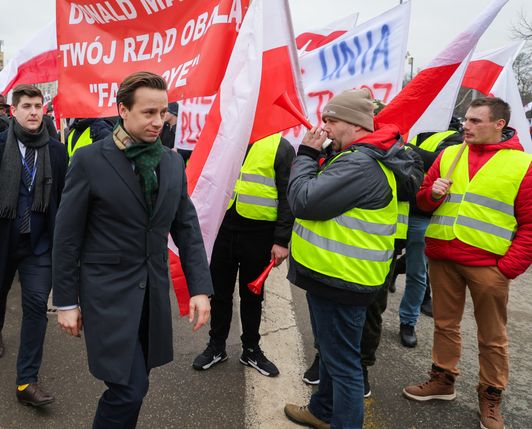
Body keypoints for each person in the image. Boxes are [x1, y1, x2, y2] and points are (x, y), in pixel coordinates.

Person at [52, 71, 212, 428]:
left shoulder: (170, 162)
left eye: (163, 112)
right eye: (148, 113)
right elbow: (67, 236)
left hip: (151, 295)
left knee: (137, 383)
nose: (159, 121)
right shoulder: (91, 161)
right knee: (128, 389)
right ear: (123, 110)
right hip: (106, 295)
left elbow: (186, 228)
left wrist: (200, 288)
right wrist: (65, 301)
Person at [283, 89, 419, 429]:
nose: (324, 127)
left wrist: (305, 155)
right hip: (337, 277)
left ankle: (339, 419)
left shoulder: (360, 163)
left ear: (356, 124)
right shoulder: (359, 157)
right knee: (333, 356)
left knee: (344, 366)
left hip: (341, 279)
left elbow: (304, 200)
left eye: (331, 120)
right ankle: (322, 411)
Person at [403, 97, 532, 429]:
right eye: (466, 120)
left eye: (475, 121)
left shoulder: (521, 165)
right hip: (444, 258)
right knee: (445, 325)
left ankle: (490, 396)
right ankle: (443, 381)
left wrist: (507, 269)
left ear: (499, 125)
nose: (466, 126)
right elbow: (422, 201)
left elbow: (530, 225)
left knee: (492, 337)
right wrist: (432, 194)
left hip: (488, 266)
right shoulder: (449, 154)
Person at [0, 84, 68, 407]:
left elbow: (63, 200)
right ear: (14, 111)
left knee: (36, 306)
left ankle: (26, 382)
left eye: (39, 106)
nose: (34, 112)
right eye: (27, 106)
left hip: (39, 245)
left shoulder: (55, 150)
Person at [192, 132, 295, 377]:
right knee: (219, 293)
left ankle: (251, 348)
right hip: (223, 230)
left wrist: (281, 240)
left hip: (259, 234)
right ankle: (217, 346)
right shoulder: (228, 136)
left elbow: (287, 198)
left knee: (252, 296)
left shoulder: (280, 147)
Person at [397, 120, 463, 347]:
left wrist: (404, 146)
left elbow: (438, 161)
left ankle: (408, 321)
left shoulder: (455, 139)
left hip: (422, 216)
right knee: (380, 266)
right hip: (397, 210)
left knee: (417, 272)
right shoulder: (414, 130)